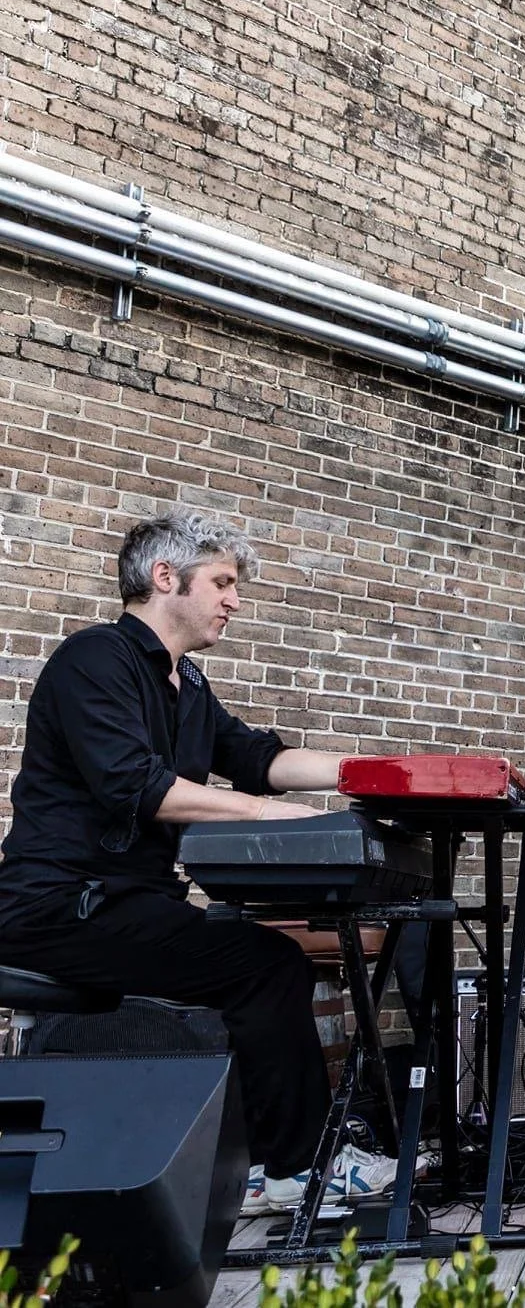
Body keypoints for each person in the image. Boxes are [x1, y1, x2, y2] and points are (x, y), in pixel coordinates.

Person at [0, 511, 398, 1216]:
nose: (233, 600)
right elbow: (137, 786)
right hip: (57, 907)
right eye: (221, 581)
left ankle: (257, 1163)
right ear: (164, 577)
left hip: (127, 904)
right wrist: (273, 815)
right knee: (265, 965)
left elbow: (259, 760)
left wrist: (379, 772)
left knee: (257, 961)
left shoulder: (191, 686)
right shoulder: (93, 660)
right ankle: (290, 1173)